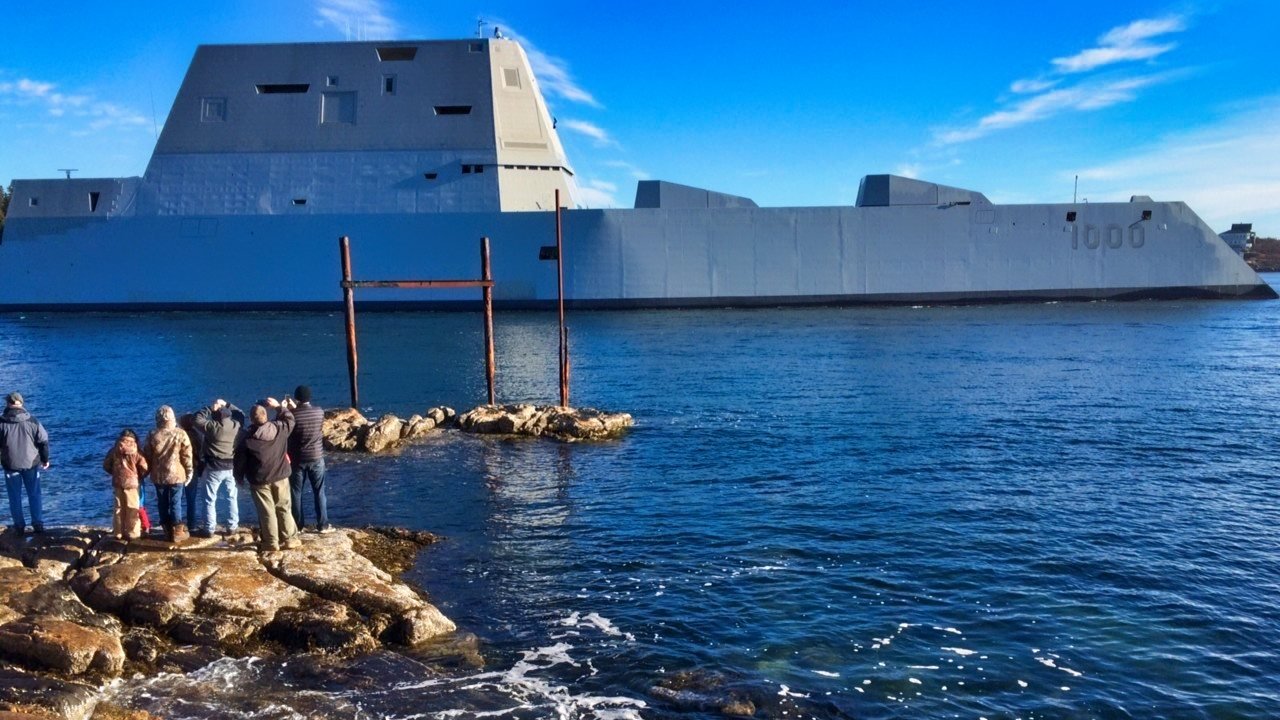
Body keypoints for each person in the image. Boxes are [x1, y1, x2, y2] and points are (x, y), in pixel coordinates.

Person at [235, 398, 300, 554]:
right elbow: (291, 419)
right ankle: (290, 539)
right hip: (281, 476)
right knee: (284, 507)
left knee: (267, 511)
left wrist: (239, 477)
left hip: (260, 480)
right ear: (266, 416)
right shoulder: (280, 429)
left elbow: (240, 461)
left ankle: (271, 542)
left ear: (251, 419)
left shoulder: (246, 439)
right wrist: (278, 407)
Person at [0, 392, 50, 535]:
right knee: (34, 494)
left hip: (10, 464)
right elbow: (43, 442)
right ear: (21, 403)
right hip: (31, 463)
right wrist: (45, 459)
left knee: (14, 496)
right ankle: (38, 524)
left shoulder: (1, 422)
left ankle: (19, 526)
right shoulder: (33, 421)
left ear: (9, 403)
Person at [143, 405, 194, 543]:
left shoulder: (152, 434)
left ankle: (166, 531)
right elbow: (187, 455)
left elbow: (146, 455)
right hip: (177, 474)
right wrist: (189, 471)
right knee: (176, 502)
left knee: (162, 503)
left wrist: (145, 472)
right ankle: (177, 531)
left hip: (158, 475)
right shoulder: (180, 433)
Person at [194, 399, 244, 537]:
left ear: (215, 417)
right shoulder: (236, 425)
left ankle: (209, 529)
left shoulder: (212, 427)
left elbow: (196, 418)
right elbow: (240, 414)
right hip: (230, 467)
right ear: (229, 416)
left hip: (213, 467)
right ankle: (232, 526)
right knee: (231, 497)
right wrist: (227, 404)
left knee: (209, 499)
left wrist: (210, 408)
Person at [288, 385, 331, 533]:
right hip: (316, 457)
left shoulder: (292, 415)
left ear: (296, 398)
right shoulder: (319, 412)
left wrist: (290, 409)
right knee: (319, 491)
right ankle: (323, 525)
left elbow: (288, 429)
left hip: (297, 459)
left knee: (296, 493)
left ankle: (298, 526)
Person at [103, 429, 148, 540]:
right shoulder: (136, 450)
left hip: (118, 482)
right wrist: (139, 475)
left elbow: (106, 465)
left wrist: (114, 473)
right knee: (132, 508)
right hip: (132, 483)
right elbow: (144, 467)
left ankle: (118, 532)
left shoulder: (114, 450)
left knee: (118, 508)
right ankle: (133, 533)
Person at [178, 413, 205, 531]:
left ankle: (176, 524)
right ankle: (192, 524)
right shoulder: (197, 435)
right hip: (193, 468)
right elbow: (200, 453)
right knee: (191, 498)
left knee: (176, 498)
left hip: (179, 469)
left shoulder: (178, 435)